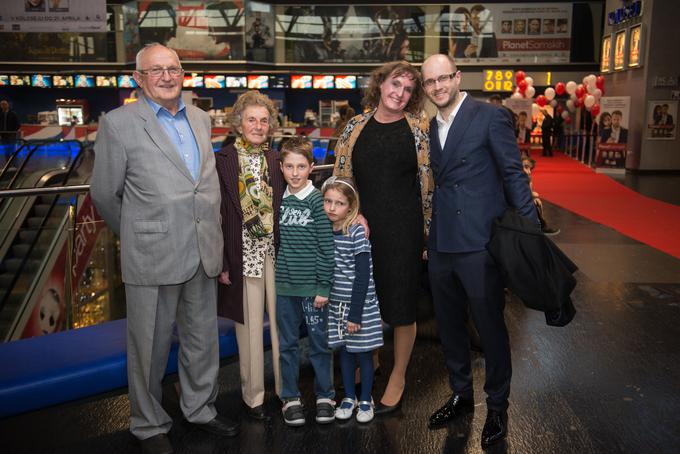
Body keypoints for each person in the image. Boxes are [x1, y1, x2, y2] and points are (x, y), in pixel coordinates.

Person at [90, 43, 238, 454]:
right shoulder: (118, 124)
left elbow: (202, 184)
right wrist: (139, 234)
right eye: (156, 70)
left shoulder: (201, 118)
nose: (167, 76)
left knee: (201, 340)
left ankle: (200, 408)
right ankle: (148, 422)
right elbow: (104, 193)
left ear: (183, 72)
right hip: (152, 254)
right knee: (149, 347)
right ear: (139, 78)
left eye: (173, 68)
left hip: (202, 248)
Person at [421, 54, 537, 447]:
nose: (437, 87)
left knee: (489, 328)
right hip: (441, 242)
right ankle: (461, 394)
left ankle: (498, 406)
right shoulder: (428, 126)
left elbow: (512, 173)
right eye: (430, 82)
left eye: (443, 79)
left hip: (480, 242)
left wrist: (529, 231)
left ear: (457, 77)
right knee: (450, 326)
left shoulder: (489, 116)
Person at [333, 60, 433, 415]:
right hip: (362, 229)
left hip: (404, 231)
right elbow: (342, 179)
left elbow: (428, 185)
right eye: (395, 85)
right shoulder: (354, 128)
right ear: (380, 85)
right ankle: (371, 359)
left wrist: (426, 235)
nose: (400, 94)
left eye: (408, 90)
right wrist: (352, 214)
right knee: (367, 298)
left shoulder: (418, 130)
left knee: (402, 306)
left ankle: (399, 375)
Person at [214, 90, 284, 422]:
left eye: (264, 120)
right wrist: (222, 263)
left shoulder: (277, 159)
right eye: (251, 119)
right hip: (243, 255)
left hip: (277, 252)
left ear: (271, 125)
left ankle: (287, 392)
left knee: (281, 326)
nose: (258, 125)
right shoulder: (222, 160)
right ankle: (253, 396)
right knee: (251, 329)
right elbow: (217, 216)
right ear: (239, 124)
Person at [275, 136, 336, 427]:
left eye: (301, 166)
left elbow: (327, 248)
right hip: (284, 288)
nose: (295, 173)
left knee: (319, 344)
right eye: (289, 166)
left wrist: (323, 287)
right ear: (282, 167)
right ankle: (290, 397)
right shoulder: (278, 199)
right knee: (287, 345)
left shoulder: (316, 202)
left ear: (311, 167)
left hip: (314, 290)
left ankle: (325, 395)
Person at [322, 176, 384, 424]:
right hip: (336, 305)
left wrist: (355, 314)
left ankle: (366, 398)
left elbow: (363, 276)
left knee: (364, 354)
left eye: (339, 203)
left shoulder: (356, 232)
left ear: (351, 206)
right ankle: (349, 397)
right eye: (328, 201)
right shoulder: (325, 229)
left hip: (359, 306)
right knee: (345, 353)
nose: (332, 208)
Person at [522, 157, 560, 236]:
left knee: (536, 202)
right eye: (525, 167)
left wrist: (534, 197)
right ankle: (542, 226)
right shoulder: (513, 178)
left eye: (530, 168)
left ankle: (541, 226)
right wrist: (533, 195)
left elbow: (529, 191)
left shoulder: (528, 178)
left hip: (523, 200)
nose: (529, 171)